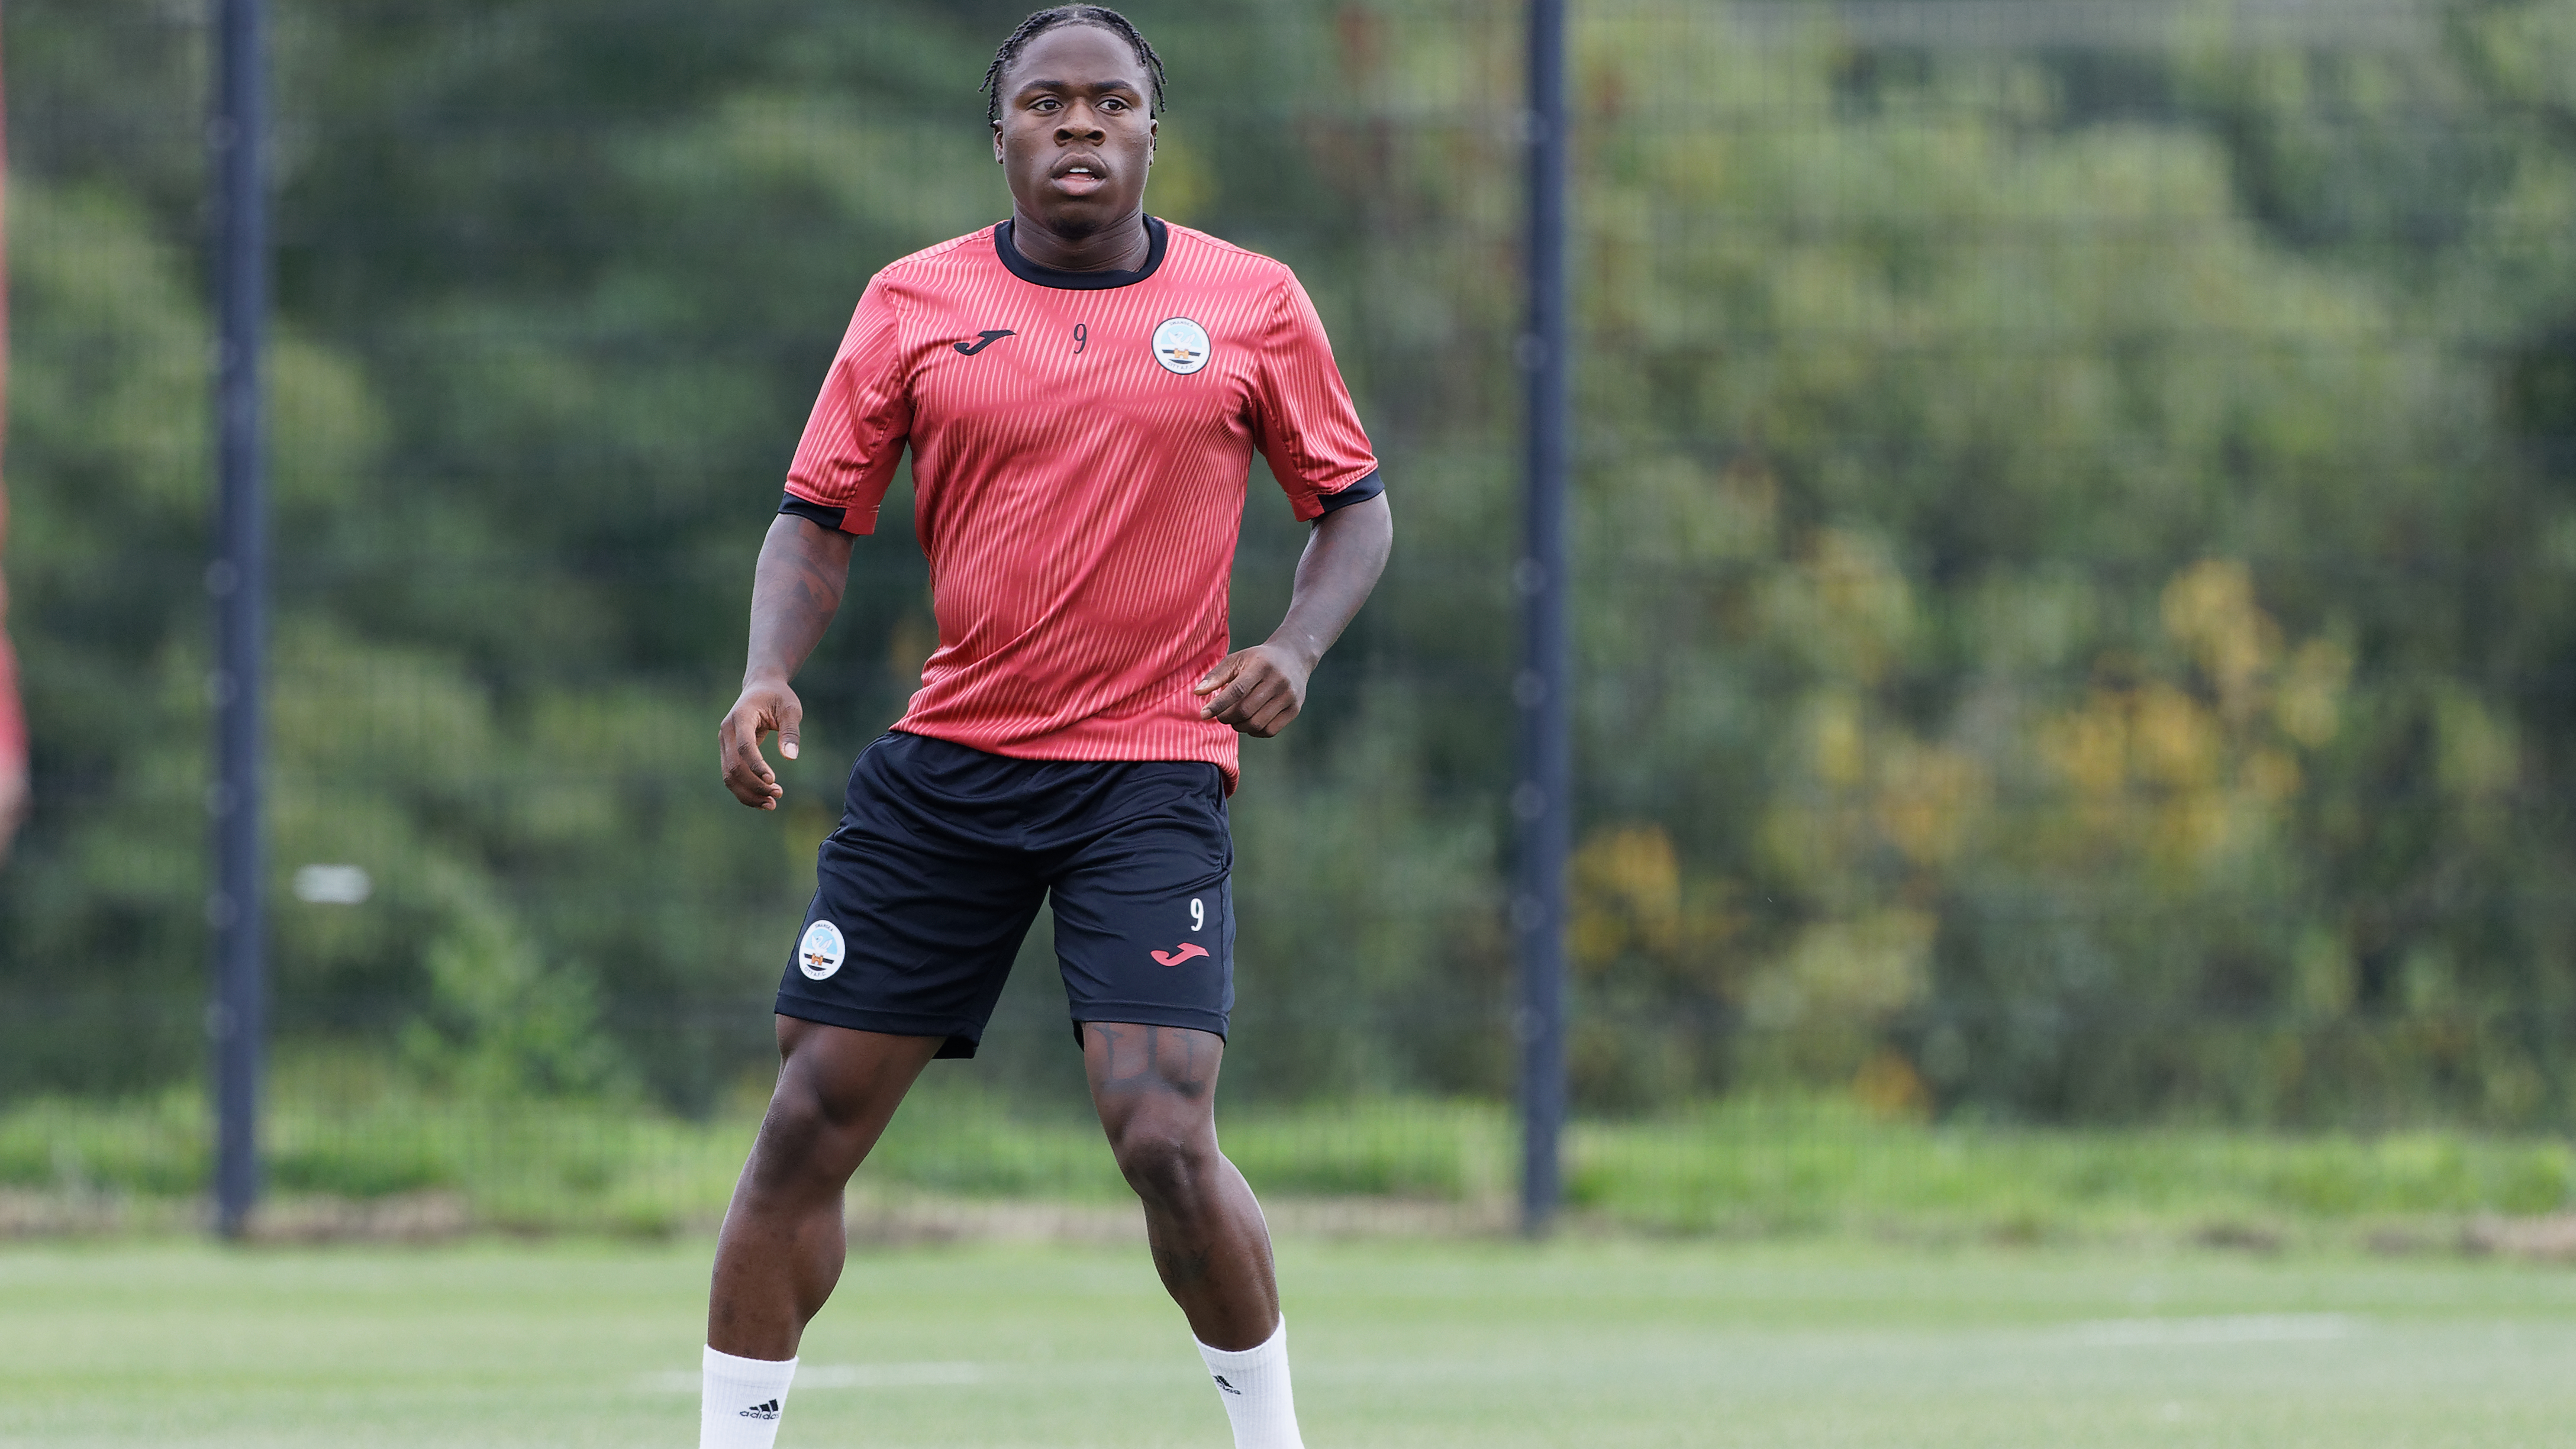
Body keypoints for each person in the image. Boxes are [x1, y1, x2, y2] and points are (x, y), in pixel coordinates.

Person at [696, 8, 1392, 1448]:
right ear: (999, 131)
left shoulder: (1251, 300)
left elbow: (1354, 508)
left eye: (1111, 101)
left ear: (1150, 128)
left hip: (1146, 771)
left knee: (1160, 1132)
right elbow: (815, 520)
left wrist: (1293, 649)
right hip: (950, 771)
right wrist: (768, 669)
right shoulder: (912, 300)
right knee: (805, 1126)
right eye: (1047, 102)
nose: (1080, 124)